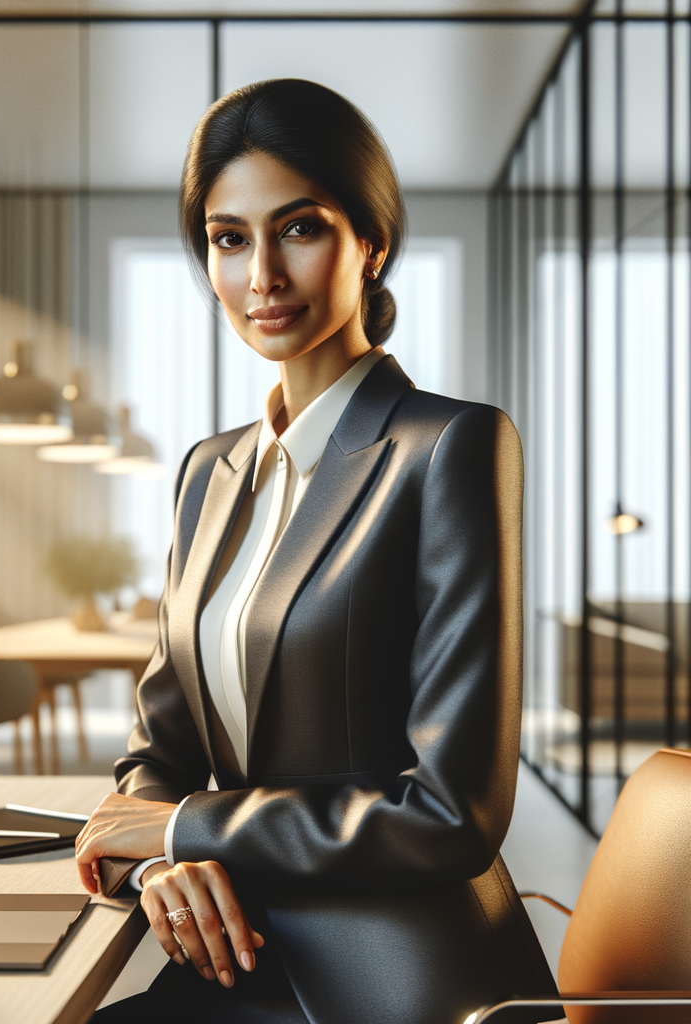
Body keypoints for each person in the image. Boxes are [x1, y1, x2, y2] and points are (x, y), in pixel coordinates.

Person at [77, 79, 556, 1024]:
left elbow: (452, 813)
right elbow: (156, 751)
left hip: (393, 979)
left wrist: (182, 827)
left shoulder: (450, 447)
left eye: (298, 228)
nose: (262, 275)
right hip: (234, 950)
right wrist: (161, 862)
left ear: (369, 241)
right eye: (228, 238)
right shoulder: (206, 474)